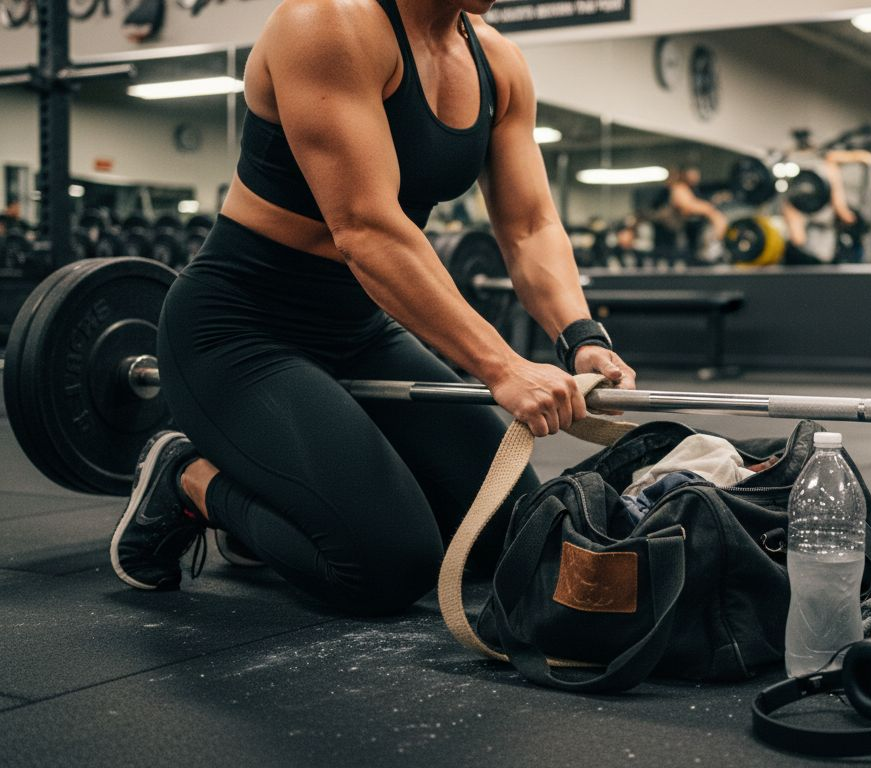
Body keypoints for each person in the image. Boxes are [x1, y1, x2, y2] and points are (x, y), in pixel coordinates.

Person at [109, 0, 638, 616]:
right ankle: (186, 479)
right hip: (239, 329)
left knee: (508, 530)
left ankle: (282, 502)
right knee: (385, 565)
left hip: (359, 329)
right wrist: (502, 367)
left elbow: (528, 226)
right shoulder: (327, 23)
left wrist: (580, 335)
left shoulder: (498, 62)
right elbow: (365, 228)